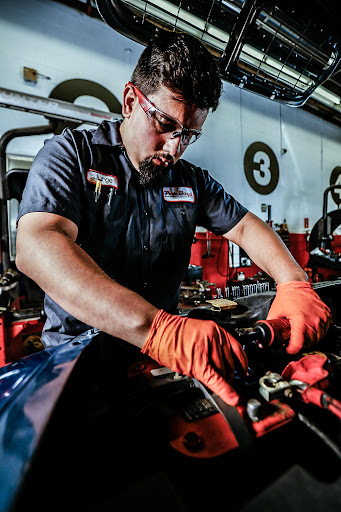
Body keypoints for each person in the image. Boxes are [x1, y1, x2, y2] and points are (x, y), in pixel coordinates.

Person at [16, 31, 331, 405]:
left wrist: (294, 283)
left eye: (189, 135)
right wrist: (157, 329)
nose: (174, 148)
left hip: (165, 360)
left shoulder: (191, 181)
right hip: (78, 362)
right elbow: (37, 244)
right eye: (166, 125)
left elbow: (245, 225)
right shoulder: (71, 155)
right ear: (131, 101)